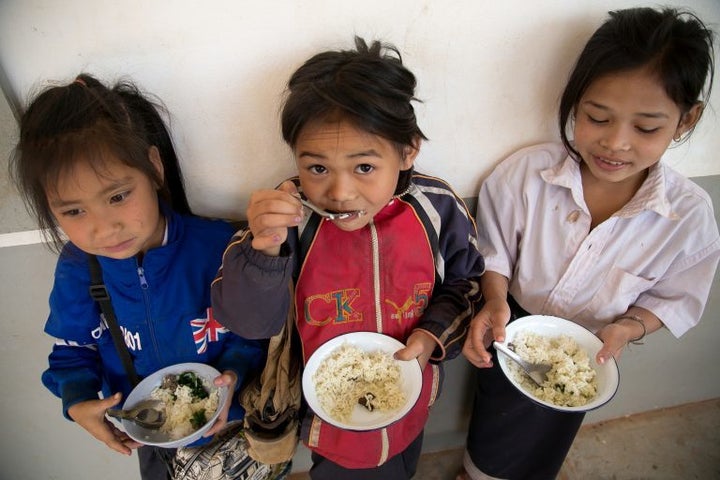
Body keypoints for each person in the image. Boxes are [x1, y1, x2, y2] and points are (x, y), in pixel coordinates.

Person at [459, 7, 719, 480]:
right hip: (511, 325)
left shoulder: (689, 216)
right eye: (598, 117)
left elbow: (674, 298)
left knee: (558, 420)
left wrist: (630, 328)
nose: (616, 143)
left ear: (685, 121)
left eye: (646, 128)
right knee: (496, 414)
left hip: (591, 349)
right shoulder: (526, 176)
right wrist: (493, 301)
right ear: (576, 101)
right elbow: (492, 251)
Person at [211, 37, 485, 479]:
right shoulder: (287, 221)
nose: (339, 193)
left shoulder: (438, 207)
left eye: (364, 167)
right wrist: (265, 247)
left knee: (401, 467)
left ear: (407, 150)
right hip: (325, 417)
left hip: (410, 398)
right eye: (317, 168)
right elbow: (249, 323)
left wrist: (431, 337)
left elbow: (466, 284)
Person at [10, 73, 264, 480]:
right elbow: (72, 353)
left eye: (117, 196)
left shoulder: (220, 247)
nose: (104, 228)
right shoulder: (79, 269)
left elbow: (250, 333)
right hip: (152, 438)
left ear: (154, 167)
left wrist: (234, 374)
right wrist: (76, 403)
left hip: (234, 425)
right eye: (74, 211)